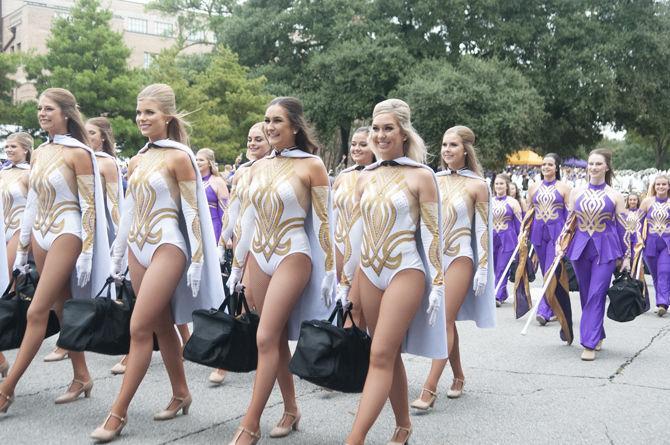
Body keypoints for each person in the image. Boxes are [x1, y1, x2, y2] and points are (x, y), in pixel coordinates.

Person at [89, 83, 224, 442]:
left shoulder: (180, 157)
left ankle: (117, 414)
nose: (142, 118)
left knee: (138, 327)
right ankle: (181, 392)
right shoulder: (137, 159)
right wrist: (117, 254)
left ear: (167, 115)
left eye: (149, 112)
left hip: (168, 244)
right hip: (138, 246)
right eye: (139, 112)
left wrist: (197, 260)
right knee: (162, 325)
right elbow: (130, 209)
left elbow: (194, 212)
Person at [225, 96, 336, 445]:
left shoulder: (312, 166)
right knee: (272, 338)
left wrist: (333, 270)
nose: (270, 127)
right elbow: (246, 220)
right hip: (258, 256)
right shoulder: (255, 168)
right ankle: (290, 410)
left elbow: (324, 224)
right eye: (267, 120)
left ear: (294, 127)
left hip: (293, 254)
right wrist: (237, 268)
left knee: (265, 337)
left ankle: (250, 424)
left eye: (277, 121)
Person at [340, 99, 446, 445]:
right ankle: (403, 425)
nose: (380, 135)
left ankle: (354, 438)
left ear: (403, 133)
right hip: (369, 273)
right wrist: (344, 277)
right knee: (386, 352)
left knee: (381, 354)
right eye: (376, 128)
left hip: (406, 270)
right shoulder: (364, 176)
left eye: (388, 128)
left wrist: (439, 281)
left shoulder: (421, 175)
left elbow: (432, 232)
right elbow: (356, 231)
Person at [0, 87, 112, 413]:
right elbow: (33, 201)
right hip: (40, 232)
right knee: (63, 309)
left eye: (49, 108)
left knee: (37, 311)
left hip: (68, 231)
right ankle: (82, 376)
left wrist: (89, 251)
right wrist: (22, 249)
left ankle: (6, 389)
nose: (42, 113)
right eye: (39, 108)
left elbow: (90, 206)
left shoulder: (78, 153)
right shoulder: (41, 152)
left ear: (65, 112)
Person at [410, 125, 494, 412]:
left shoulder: (478, 185)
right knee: (447, 320)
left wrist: (483, 267)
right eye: (444, 145)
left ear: (466, 150)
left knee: (444, 319)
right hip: (433, 258)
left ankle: (429, 388)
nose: (447, 150)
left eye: (453, 145)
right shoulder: (432, 179)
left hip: (461, 256)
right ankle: (458, 375)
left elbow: (482, 228)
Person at [211, 122, 271, 385]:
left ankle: (265, 354)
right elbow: (234, 206)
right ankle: (228, 360)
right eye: (249, 139)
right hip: (241, 244)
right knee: (241, 298)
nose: (252, 144)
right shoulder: (242, 172)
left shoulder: (274, 169)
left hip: (267, 244)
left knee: (254, 302)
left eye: (258, 139)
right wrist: (223, 238)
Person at [558, 148, 629, 361]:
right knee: (586, 293)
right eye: (591, 164)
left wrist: (626, 256)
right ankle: (597, 333)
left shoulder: (615, 195)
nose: (594, 167)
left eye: (598, 164)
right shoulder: (577, 192)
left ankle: (588, 342)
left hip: (606, 249)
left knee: (597, 293)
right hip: (580, 247)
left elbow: (624, 228)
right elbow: (570, 223)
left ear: (606, 167)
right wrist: (560, 244)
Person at [333, 126, 375, 329]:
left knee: (355, 309)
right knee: (344, 307)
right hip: (339, 247)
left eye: (363, 144)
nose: (356, 148)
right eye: (354, 144)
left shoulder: (378, 175)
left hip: (365, 249)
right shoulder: (342, 176)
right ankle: (356, 357)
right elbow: (331, 215)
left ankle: (360, 359)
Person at [525, 154, 571, 325]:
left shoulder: (564, 188)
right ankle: (553, 305)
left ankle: (544, 309)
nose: (545, 167)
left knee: (551, 270)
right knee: (545, 271)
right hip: (538, 233)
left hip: (556, 234)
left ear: (556, 167)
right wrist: (524, 231)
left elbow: (570, 215)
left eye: (550, 164)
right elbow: (529, 212)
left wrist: (567, 237)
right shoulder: (533, 188)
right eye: (543, 164)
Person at [0, 132, 27, 378]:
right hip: (2, 229)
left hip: (20, 230)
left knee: (7, 283)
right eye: (6, 146)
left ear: (25, 149)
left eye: (13, 146)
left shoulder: (29, 174)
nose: (8, 149)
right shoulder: (2, 172)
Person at [638, 175, 670, 316]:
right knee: (656, 274)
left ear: (668, 186)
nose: (661, 187)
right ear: (654, 186)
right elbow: (637, 222)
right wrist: (635, 239)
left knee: (664, 271)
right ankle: (661, 300)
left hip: (667, 244)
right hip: (650, 243)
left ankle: (662, 303)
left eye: (664, 184)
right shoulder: (647, 202)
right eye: (658, 184)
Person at [492, 174, 522, 306]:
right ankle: (502, 292)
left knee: (502, 267)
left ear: (507, 186)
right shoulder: (490, 201)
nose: (499, 186)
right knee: (494, 268)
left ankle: (497, 295)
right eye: (497, 184)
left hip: (508, 238)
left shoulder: (513, 202)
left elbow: (519, 224)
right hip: (493, 238)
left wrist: (520, 240)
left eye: (501, 184)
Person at [624, 193, 644, 261]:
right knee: (627, 257)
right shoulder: (623, 212)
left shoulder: (642, 212)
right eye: (630, 200)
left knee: (636, 257)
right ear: (627, 201)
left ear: (638, 201)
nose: (632, 201)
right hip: (626, 238)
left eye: (634, 200)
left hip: (637, 238)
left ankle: (635, 271)